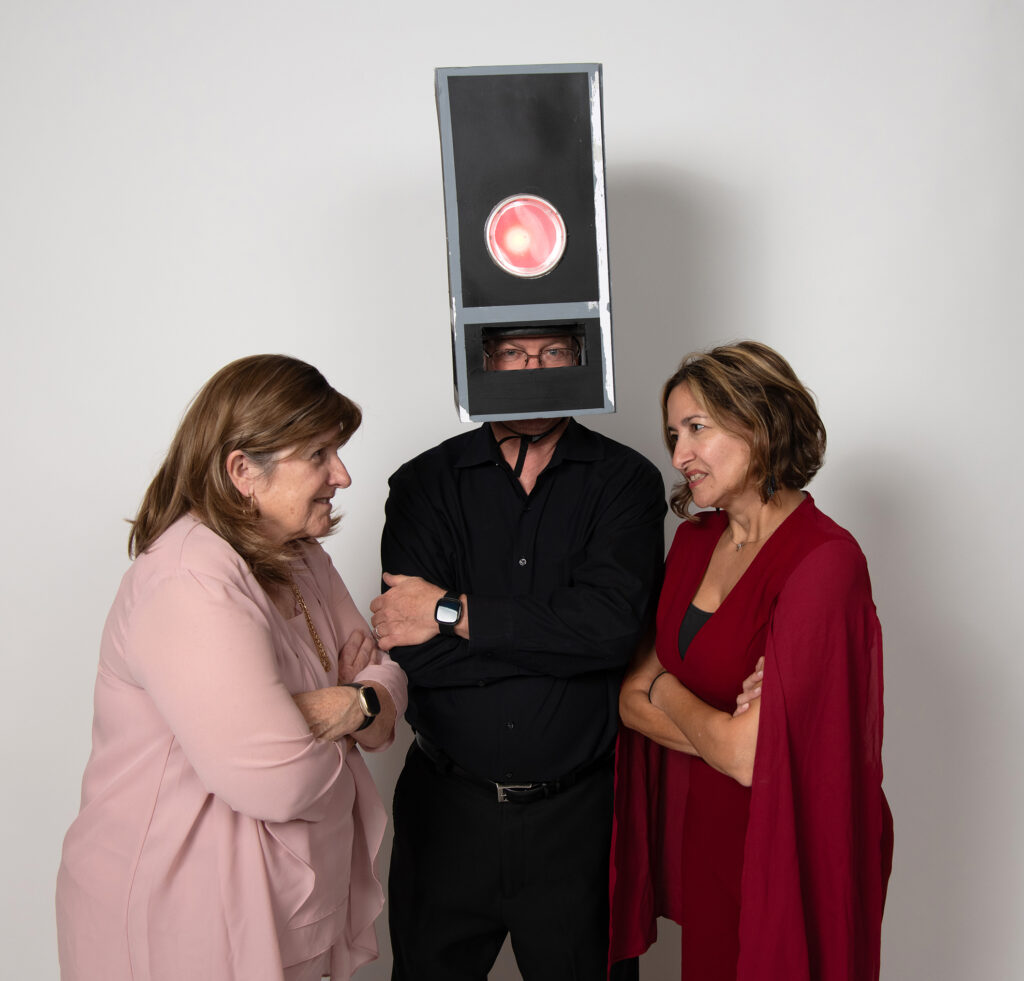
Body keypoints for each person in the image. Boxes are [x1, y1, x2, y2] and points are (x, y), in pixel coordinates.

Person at [56, 354, 408, 981]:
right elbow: (277, 781)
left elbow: (384, 688)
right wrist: (336, 708)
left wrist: (349, 703)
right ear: (243, 471)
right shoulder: (189, 579)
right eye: (320, 454)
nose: (344, 475)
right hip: (182, 915)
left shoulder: (300, 553)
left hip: (277, 907)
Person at [369, 328, 666, 980]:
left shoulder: (626, 482)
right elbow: (415, 656)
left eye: (552, 352)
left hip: (580, 822)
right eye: (513, 352)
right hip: (446, 816)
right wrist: (564, 643)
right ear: (483, 361)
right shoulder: (423, 484)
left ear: (581, 361)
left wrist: (451, 612)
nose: (532, 367)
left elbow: (613, 632)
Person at [609, 340, 893, 980]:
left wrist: (667, 690)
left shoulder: (824, 561)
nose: (680, 455)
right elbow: (630, 701)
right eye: (673, 434)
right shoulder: (692, 541)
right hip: (709, 839)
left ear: (760, 422)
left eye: (698, 428)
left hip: (787, 850)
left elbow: (743, 756)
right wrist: (709, 722)